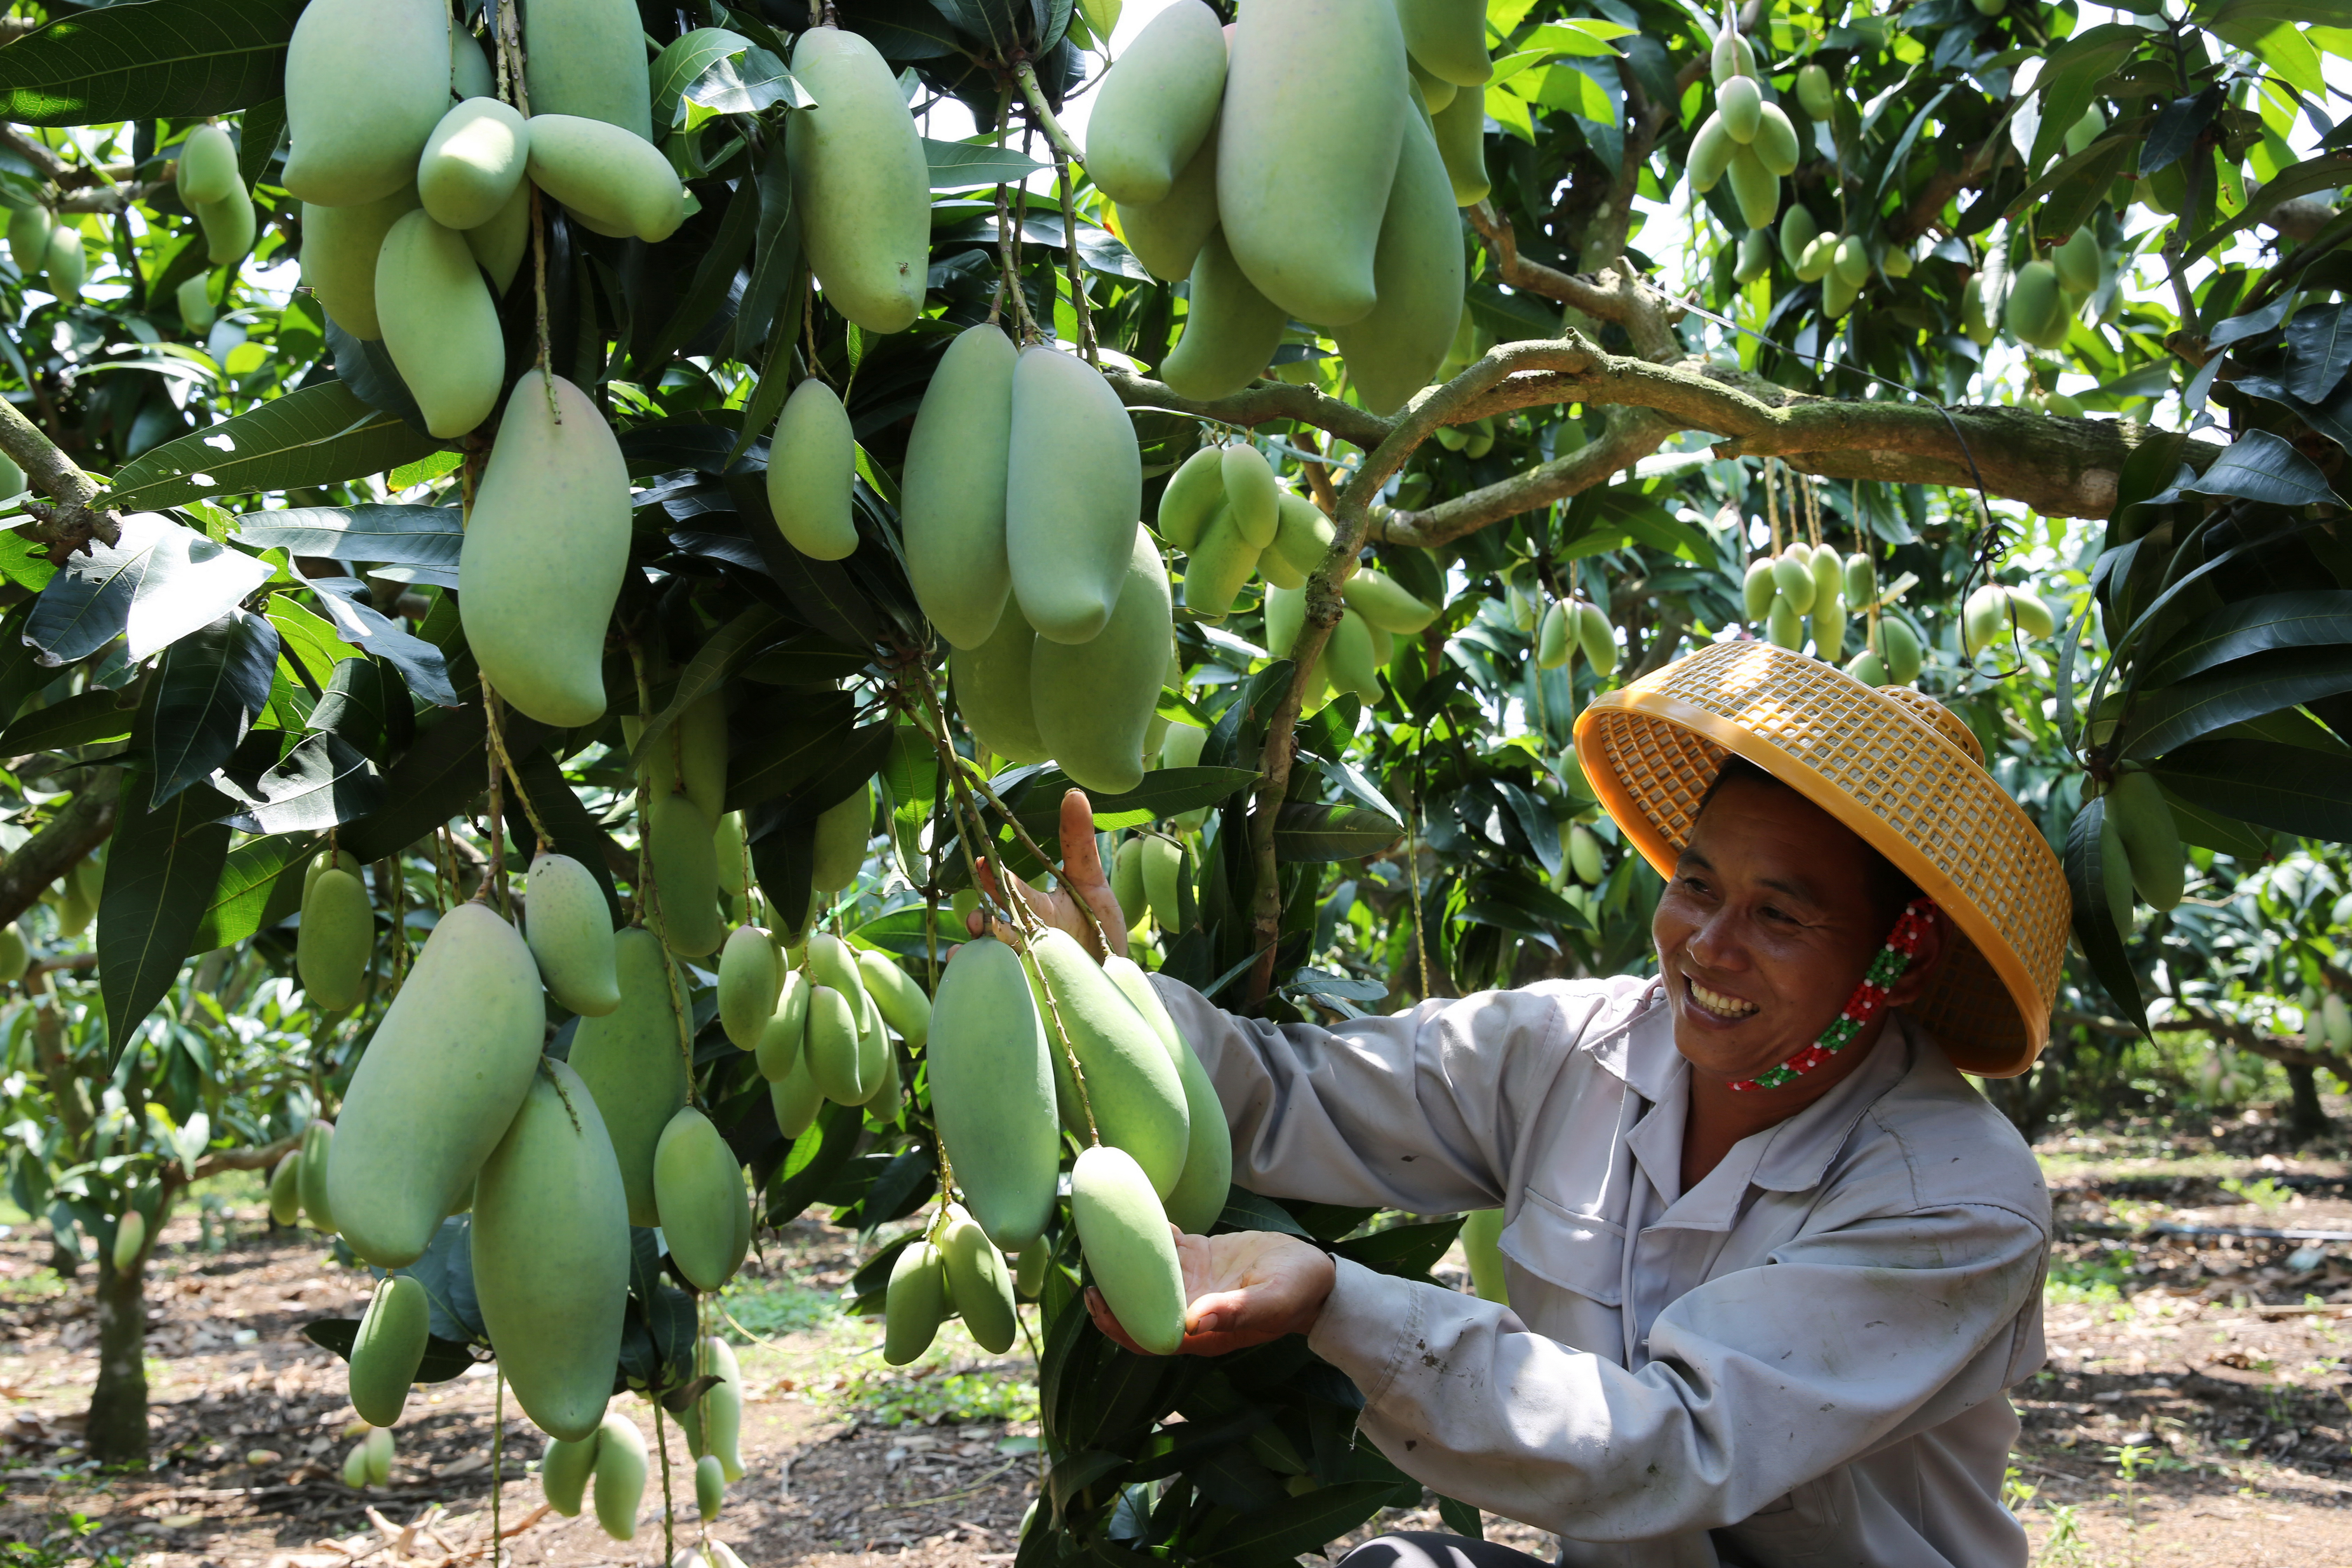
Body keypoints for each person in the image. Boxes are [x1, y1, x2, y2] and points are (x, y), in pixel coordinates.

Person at [978, 640, 2070, 1568]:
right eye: (1696, 884)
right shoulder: (1569, 1051)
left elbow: (1673, 1443)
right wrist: (1101, 988)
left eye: (1779, 915)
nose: (1708, 944)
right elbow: (1292, 1092)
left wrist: (1334, 1299)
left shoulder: (1957, 1195)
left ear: (1901, 962)